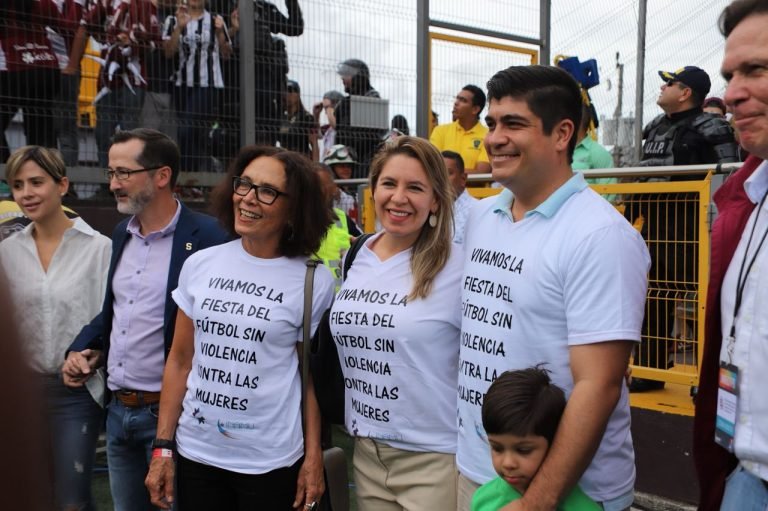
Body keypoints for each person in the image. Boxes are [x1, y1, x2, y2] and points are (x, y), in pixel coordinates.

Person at [457, 65, 650, 511]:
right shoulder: (483, 218)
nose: (493, 138)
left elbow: (598, 386)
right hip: (480, 473)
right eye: (491, 123)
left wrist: (537, 502)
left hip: (564, 495)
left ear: (563, 134)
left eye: (513, 124)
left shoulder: (600, 236)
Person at [144, 146, 334, 510]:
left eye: (267, 191)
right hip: (197, 453)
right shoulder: (201, 264)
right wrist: (163, 448)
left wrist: (313, 459)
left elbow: (308, 378)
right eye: (244, 184)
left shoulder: (313, 281)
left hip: (271, 462)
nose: (248, 198)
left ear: (294, 208)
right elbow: (181, 360)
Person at [62, 128, 228, 510]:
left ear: (162, 175)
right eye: (110, 173)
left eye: (123, 173)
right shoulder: (123, 233)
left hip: (174, 418)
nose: (113, 183)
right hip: (118, 414)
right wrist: (85, 348)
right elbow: (118, 312)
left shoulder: (209, 237)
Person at [330, 136, 462, 510]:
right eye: (389, 184)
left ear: (436, 199)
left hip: (434, 459)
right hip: (367, 455)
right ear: (373, 190)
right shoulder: (356, 256)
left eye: (415, 188)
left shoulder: (460, 265)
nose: (399, 198)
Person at [0, 146, 111, 511]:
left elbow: (111, 320)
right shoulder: (6, 251)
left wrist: (94, 355)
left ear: (62, 184)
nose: (26, 193)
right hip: (21, 392)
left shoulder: (100, 249)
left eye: (36, 182)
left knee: (71, 500)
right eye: (17, 185)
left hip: (76, 395)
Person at [694, 1, 768, 509]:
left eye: (757, 69)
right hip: (743, 476)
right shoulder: (744, 201)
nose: (732, 93)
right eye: (730, 74)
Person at [630, 65, 740, 391]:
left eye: (670, 83)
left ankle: (706, 378)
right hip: (657, 221)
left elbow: (728, 178)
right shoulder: (653, 127)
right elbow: (642, 176)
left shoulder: (713, 127)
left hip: (695, 223)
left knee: (705, 299)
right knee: (654, 295)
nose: (662, 88)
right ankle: (651, 370)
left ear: (686, 92)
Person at [471, 367, 600, 511]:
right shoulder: (482, 499)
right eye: (497, 448)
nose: (508, 463)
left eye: (523, 450)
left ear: (556, 444)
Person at [77, 0, 162, 167]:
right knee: (102, 133)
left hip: (133, 80)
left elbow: (154, 41)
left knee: (128, 135)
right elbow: (88, 25)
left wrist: (132, 41)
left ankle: (126, 182)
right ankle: (105, 184)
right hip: (107, 80)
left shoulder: (146, 4)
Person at [163, 0, 232, 172]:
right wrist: (179, 28)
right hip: (181, 85)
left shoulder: (216, 20)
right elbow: (168, 52)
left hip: (207, 85)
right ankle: (197, 181)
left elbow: (226, 54)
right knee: (194, 135)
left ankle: (187, 176)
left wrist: (220, 34)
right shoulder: (172, 20)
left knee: (186, 130)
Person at [228, 0, 304, 145]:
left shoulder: (265, 8)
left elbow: (295, 28)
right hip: (232, 79)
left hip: (265, 82)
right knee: (234, 132)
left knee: (266, 131)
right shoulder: (225, 5)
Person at [0, 1, 63, 162]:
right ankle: (43, 177)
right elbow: (66, 27)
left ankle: (5, 176)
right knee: (41, 131)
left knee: (39, 131)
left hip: (15, 70)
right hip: (47, 67)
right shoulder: (45, 4)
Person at [314, 162, 362, 290]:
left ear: (333, 187)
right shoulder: (291, 223)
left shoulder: (342, 218)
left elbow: (364, 247)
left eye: (324, 185)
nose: (319, 191)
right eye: (314, 186)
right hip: (308, 301)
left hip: (340, 302)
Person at [334, 58, 383, 177]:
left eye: (347, 75)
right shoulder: (345, 102)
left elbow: (367, 137)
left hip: (366, 161)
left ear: (359, 77)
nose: (343, 79)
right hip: (347, 160)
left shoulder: (371, 98)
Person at [430, 85, 491, 173]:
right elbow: (433, 166)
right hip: (444, 186)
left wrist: (449, 173)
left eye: (463, 100)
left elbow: (482, 172)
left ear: (475, 109)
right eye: (457, 98)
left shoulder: (487, 135)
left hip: (475, 187)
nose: (456, 103)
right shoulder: (440, 131)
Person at [441, 150, 476, 244]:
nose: (441, 178)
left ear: (463, 179)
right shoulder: (427, 208)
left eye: (448, 173)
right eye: (437, 173)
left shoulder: (477, 211)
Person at [278, 79, 318, 159]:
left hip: (302, 159)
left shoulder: (306, 118)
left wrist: (316, 167)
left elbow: (314, 143)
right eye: (284, 91)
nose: (287, 94)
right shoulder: (279, 118)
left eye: (290, 91)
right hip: (284, 158)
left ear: (298, 94)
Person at [323, 144, 359, 219]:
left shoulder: (357, 195)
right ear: (331, 169)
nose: (346, 169)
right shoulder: (329, 194)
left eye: (348, 166)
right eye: (341, 166)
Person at [313, 90, 345, 159]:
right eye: (325, 109)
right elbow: (318, 135)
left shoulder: (344, 125)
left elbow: (336, 126)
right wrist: (316, 115)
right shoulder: (328, 128)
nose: (326, 112)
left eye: (327, 107)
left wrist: (330, 110)